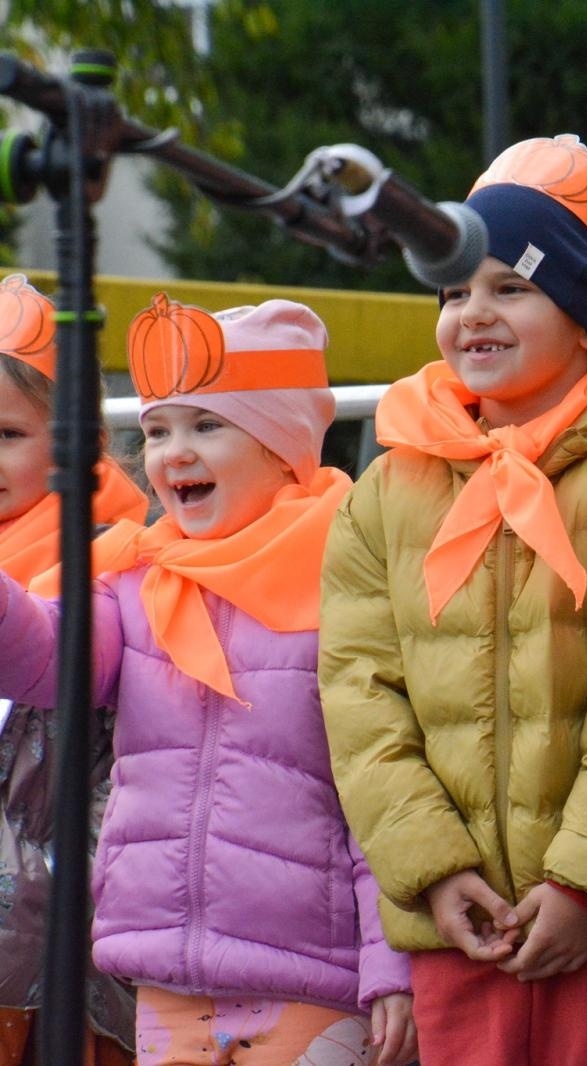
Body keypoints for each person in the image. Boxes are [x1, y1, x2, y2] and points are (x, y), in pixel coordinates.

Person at [318, 133, 587, 1066]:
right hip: (455, 922)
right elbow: (358, 698)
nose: (473, 312)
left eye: (511, 287)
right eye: (454, 293)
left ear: (586, 321)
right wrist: (433, 869)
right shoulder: (384, 491)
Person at [0, 295, 415, 1065]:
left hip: (313, 983)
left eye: (206, 426)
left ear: (281, 443)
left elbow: (384, 793)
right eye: (157, 431)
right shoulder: (133, 578)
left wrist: (396, 962)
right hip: (164, 980)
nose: (172, 452)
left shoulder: (350, 579)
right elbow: (46, 662)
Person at [0, 275, 146, 1066]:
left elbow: (126, 772)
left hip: (57, 957)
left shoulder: (116, 566)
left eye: (7, 434)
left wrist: (38, 895)